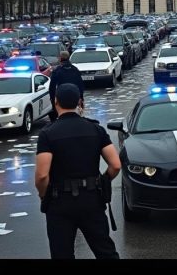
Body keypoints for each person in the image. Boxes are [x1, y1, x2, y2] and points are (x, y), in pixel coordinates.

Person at [35, 84, 121, 259]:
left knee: (62, 253)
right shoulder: (95, 129)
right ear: (80, 102)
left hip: (59, 201)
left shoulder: (47, 133)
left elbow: (42, 174)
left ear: (55, 102)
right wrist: (102, 182)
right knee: (105, 251)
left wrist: (44, 195)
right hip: (91, 199)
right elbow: (115, 165)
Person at [49, 51, 85, 122]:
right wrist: (81, 97)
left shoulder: (57, 71)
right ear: (69, 58)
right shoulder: (75, 69)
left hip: (62, 96)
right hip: (74, 96)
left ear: (60, 58)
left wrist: (53, 101)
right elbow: (81, 85)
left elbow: (52, 88)